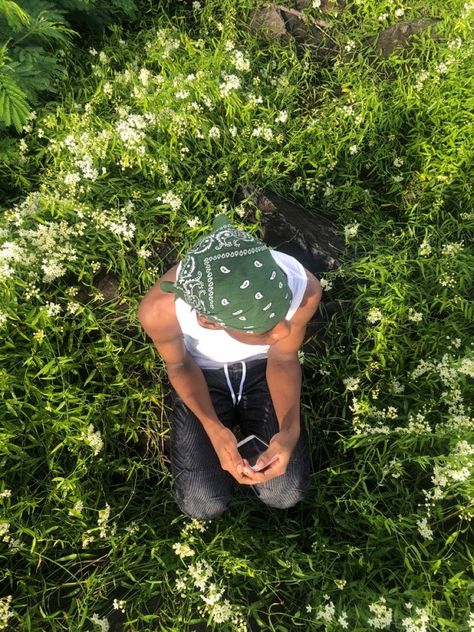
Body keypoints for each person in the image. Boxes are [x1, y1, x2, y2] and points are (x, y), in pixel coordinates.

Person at [138, 214, 322, 519]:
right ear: (207, 322)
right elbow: (180, 363)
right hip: (201, 374)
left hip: (264, 369)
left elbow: (283, 357)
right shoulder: (160, 312)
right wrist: (214, 429)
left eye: (281, 314)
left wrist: (290, 431)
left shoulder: (303, 288)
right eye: (262, 330)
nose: (283, 333)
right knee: (202, 503)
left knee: (285, 492)